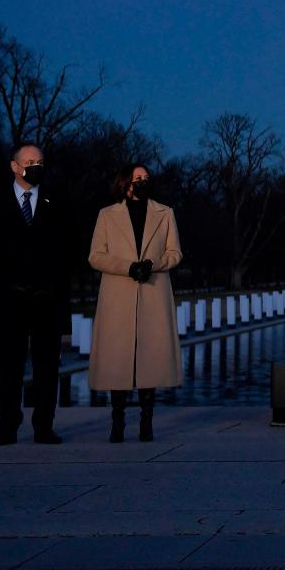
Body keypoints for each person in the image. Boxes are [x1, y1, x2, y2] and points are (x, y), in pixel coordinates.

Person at [0, 142, 74, 446]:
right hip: (10, 300)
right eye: (30, 161)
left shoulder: (57, 201)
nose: (36, 166)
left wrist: (50, 286)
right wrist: (11, 285)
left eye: (40, 161)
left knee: (47, 369)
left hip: (46, 300)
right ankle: (7, 426)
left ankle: (43, 426)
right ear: (14, 166)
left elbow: (66, 250)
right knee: (10, 368)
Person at [87, 163, 183, 443]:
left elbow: (175, 252)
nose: (143, 181)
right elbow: (95, 256)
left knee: (149, 359)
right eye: (138, 178)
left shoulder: (165, 213)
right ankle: (117, 421)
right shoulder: (107, 215)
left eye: (146, 178)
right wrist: (128, 267)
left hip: (153, 291)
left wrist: (154, 264)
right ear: (126, 182)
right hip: (118, 293)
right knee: (118, 359)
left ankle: (146, 422)